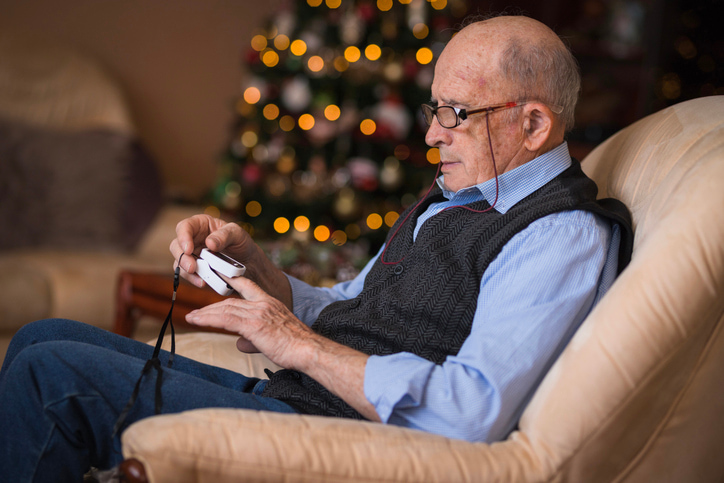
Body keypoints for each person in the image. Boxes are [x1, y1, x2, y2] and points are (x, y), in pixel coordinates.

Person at [0, 14, 632, 481]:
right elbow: (350, 305)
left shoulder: (558, 234)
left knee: (47, 374)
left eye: (456, 113)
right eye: (433, 109)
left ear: (533, 124)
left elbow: (473, 410)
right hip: (302, 395)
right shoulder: (459, 196)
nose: (434, 134)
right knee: (40, 335)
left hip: (349, 437)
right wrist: (263, 276)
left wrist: (297, 344)